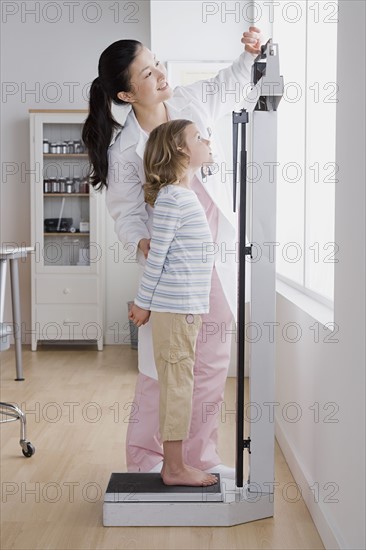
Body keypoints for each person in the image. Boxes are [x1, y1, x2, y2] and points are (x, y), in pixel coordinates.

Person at [82, 28, 262, 478]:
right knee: (160, 368)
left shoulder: (190, 104)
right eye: (147, 72)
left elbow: (229, 84)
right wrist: (142, 240)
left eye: (157, 62)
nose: (161, 74)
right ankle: (146, 460)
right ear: (127, 92)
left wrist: (249, 53)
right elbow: (124, 212)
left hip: (211, 259)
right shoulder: (125, 149)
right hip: (170, 268)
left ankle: (198, 457)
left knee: (213, 357)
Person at [129, 119, 218, 486]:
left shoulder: (183, 195)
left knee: (181, 384)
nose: (207, 140)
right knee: (179, 387)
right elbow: (158, 257)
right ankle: (175, 467)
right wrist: (141, 303)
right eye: (199, 138)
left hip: (185, 309)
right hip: (176, 310)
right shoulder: (172, 198)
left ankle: (175, 465)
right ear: (182, 150)